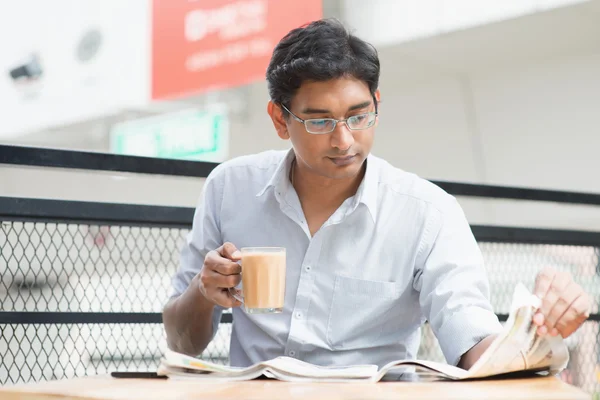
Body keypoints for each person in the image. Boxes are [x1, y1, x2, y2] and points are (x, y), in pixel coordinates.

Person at [162, 18, 591, 369]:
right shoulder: (229, 189)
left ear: (377, 103)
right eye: (319, 121)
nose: (344, 140)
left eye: (359, 115)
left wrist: (534, 330)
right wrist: (204, 290)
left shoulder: (428, 213)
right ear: (279, 119)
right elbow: (182, 343)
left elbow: (470, 336)